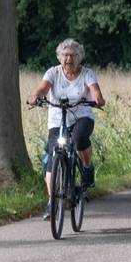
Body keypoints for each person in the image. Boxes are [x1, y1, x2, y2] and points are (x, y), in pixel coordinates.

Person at [29, 39, 106, 216]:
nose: (68, 59)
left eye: (72, 55)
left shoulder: (87, 73)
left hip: (82, 116)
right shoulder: (53, 73)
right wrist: (36, 97)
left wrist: (98, 99)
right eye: (65, 55)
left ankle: (86, 167)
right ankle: (52, 201)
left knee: (79, 140)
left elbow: (95, 91)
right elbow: (42, 88)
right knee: (51, 154)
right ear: (59, 57)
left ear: (79, 58)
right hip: (57, 118)